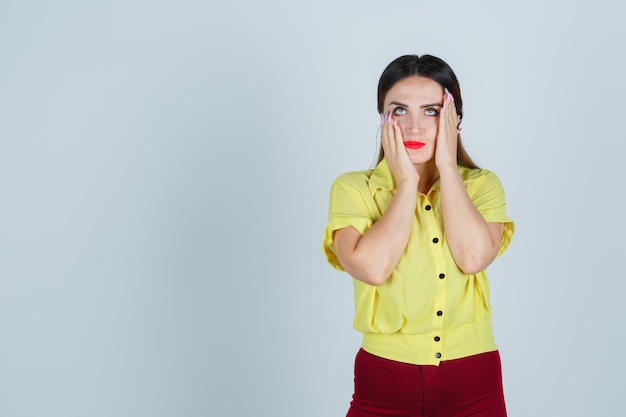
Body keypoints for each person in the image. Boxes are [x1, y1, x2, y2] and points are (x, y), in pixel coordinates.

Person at [322, 54, 515, 417]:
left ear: (454, 119)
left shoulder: (482, 186)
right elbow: (373, 269)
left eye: (430, 111)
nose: (414, 128)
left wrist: (446, 166)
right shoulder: (353, 189)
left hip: (474, 379)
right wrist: (406, 183)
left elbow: (473, 258)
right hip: (383, 379)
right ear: (382, 118)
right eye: (399, 111)